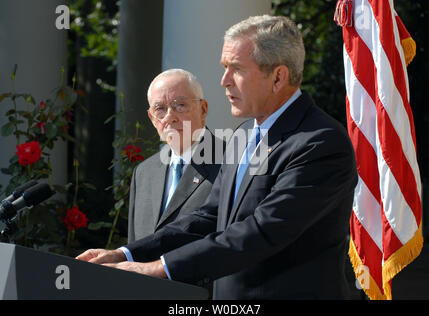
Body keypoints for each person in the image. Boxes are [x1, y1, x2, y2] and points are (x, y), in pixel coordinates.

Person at [77, 15, 358, 299]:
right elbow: (210, 217)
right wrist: (125, 253)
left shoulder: (320, 142)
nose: (224, 81)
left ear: (278, 77)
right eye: (225, 68)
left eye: (236, 69)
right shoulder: (245, 133)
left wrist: (158, 268)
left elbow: (261, 231)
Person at [127, 69, 223, 243]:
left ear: (203, 109)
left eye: (180, 105)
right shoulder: (143, 173)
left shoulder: (231, 162)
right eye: (160, 109)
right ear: (152, 118)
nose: (170, 117)